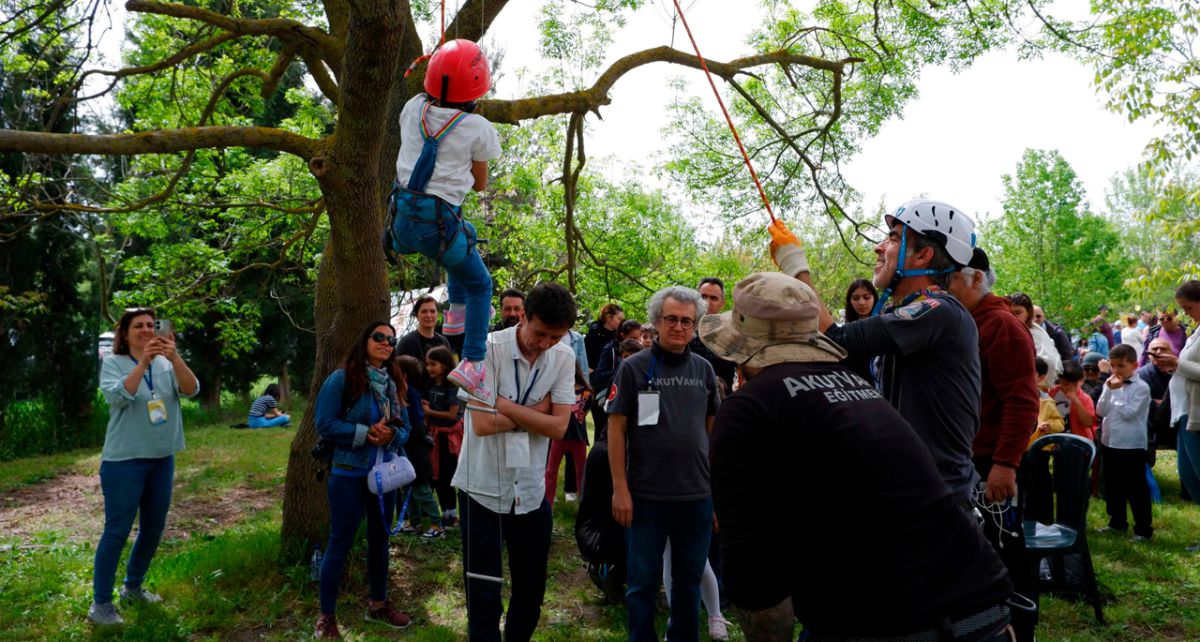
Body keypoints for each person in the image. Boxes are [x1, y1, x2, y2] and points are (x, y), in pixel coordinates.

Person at [702, 272, 1015, 642]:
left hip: (898, 626)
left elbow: (758, 587)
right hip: (986, 608)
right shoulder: (858, 387)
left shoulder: (748, 409)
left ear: (740, 353)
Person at [769, 199, 983, 505]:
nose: (879, 248)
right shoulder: (914, 312)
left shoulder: (939, 311)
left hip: (934, 501)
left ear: (923, 255)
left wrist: (795, 265)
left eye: (894, 238)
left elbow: (836, 339)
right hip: (909, 490)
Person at [452, 282, 578, 642]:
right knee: (483, 590)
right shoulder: (486, 350)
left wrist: (502, 405)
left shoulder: (564, 356)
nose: (545, 344)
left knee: (531, 589)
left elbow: (559, 427)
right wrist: (537, 411)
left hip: (531, 490)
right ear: (524, 315)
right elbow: (480, 424)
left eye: (555, 337)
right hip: (482, 487)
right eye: (540, 333)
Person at [385, 38, 500, 401]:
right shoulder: (478, 127)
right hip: (440, 231)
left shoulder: (411, 108)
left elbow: (427, 87)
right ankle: (473, 362)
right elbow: (480, 185)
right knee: (482, 284)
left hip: (404, 226)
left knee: (470, 232)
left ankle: (456, 313)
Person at [608, 286, 720, 642]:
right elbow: (615, 429)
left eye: (687, 321)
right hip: (646, 496)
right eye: (671, 319)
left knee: (687, 583)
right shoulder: (634, 368)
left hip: (696, 498)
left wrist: (716, 495)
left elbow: (711, 434)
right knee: (641, 584)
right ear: (656, 321)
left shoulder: (704, 370)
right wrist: (620, 490)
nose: (679, 327)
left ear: (696, 325)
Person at [946, 248, 1039, 641]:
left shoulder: (1000, 324)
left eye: (951, 278)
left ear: (977, 279)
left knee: (1004, 558)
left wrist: (1005, 463)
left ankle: (1019, 631)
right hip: (969, 459)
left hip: (992, 463)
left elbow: (1023, 400)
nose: (944, 287)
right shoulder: (965, 322)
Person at [90, 308, 199, 626]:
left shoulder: (168, 361)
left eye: (152, 325)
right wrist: (144, 363)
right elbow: (120, 397)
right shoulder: (113, 364)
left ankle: (133, 586)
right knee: (117, 531)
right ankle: (101, 605)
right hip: (124, 460)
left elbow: (192, 390)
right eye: (138, 325)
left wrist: (174, 357)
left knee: (153, 528)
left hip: (162, 458)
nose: (146, 329)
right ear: (124, 334)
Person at [312, 321, 413, 639]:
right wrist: (364, 434)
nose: (386, 342)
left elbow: (407, 429)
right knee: (340, 543)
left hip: (385, 476)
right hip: (348, 473)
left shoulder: (394, 383)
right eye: (379, 337)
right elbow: (325, 423)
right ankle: (326, 618)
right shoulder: (342, 379)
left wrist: (391, 435)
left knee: (381, 541)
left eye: (391, 340)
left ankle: (378, 605)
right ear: (364, 341)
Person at [1096, 344, 1154, 540]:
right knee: (1113, 486)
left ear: (1135, 365)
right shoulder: (1111, 383)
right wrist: (1108, 390)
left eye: (1121, 366)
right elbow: (1100, 411)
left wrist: (1118, 392)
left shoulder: (1142, 388)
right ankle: (1117, 522)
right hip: (1109, 441)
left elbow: (1129, 414)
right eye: (1112, 366)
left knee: (1136, 488)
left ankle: (1143, 529)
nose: (1116, 370)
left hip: (1131, 444)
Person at [1158, 280, 1200, 548]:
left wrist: (1178, 364)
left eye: (1190, 307)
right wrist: (1173, 366)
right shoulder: (1196, 332)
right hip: (1183, 411)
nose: (1186, 313)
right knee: (1188, 474)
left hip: (1197, 413)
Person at [393, 355, 442, 539]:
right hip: (406, 448)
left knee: (421, 489)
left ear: (403, 375)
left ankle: (437, 523)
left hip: (416, 449)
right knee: (407, 487)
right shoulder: (401, 392)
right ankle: (414, 522)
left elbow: (413, 422)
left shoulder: (409, 393)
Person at [423, 346, 463, 529]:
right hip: (434, 436)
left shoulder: (452, 386)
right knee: (436, 476)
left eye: (433, 364)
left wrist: (429, 411)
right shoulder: (430, 385)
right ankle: (443, 514)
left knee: (447, 475)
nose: (429, 368)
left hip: (448, 438)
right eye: (427, 364)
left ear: (445, 364)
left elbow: (452, 414)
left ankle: (451, 515)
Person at [545, 363, 592, 507]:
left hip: (578, 438)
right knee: (550, 471)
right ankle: (548, 504)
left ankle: (583, 507)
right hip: (559, 437)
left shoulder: (586, 392)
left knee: (581, 473)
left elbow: (584, 413)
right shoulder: (558, 390)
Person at [589, 319, 643, 442]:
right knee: (605, 439)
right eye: (632, 337)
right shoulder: (610, 350)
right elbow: (597, 377)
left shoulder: (642, 354)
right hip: (607, 403)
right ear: (622, 335)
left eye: (638, 338)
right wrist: (622, 370)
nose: (635, 341)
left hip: (629, 405)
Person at [396, 294, 453, 393]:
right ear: (417, 315)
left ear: (437, 314)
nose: (428, 315)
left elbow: (450, 371)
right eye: (424, 311)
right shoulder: (407, 342)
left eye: (432, 311)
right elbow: (397, 373)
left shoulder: (443, 341)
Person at [691, 277, 737, 392]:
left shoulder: (732, 335)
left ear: (722, 303)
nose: (707, 302)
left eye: (713, 298)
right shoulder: (681, 331)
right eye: (703, 297)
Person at [1009, 292, 1061, 387]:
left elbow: (1049, 362)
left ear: (1028, 312)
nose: (1013, 317)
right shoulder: (1006, 331)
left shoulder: (1036, 333)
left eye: (1018, 313)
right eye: (1010, 313)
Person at [1050, 361, 1097, 442]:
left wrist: (1077, 402)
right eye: (1065, 384)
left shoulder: (1085, 399)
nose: (1070, 388)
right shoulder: (1052, 393)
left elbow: (1088, 423)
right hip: (1055, 439)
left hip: (1078, 441)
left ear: (1082, 381)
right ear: (1060, 380)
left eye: (1075, 385)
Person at [585, 303, 624, 371]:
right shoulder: (593, 335)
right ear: (608, 317)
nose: (622, 322)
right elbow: (584, 360)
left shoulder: (620, 337)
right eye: (619, 319)